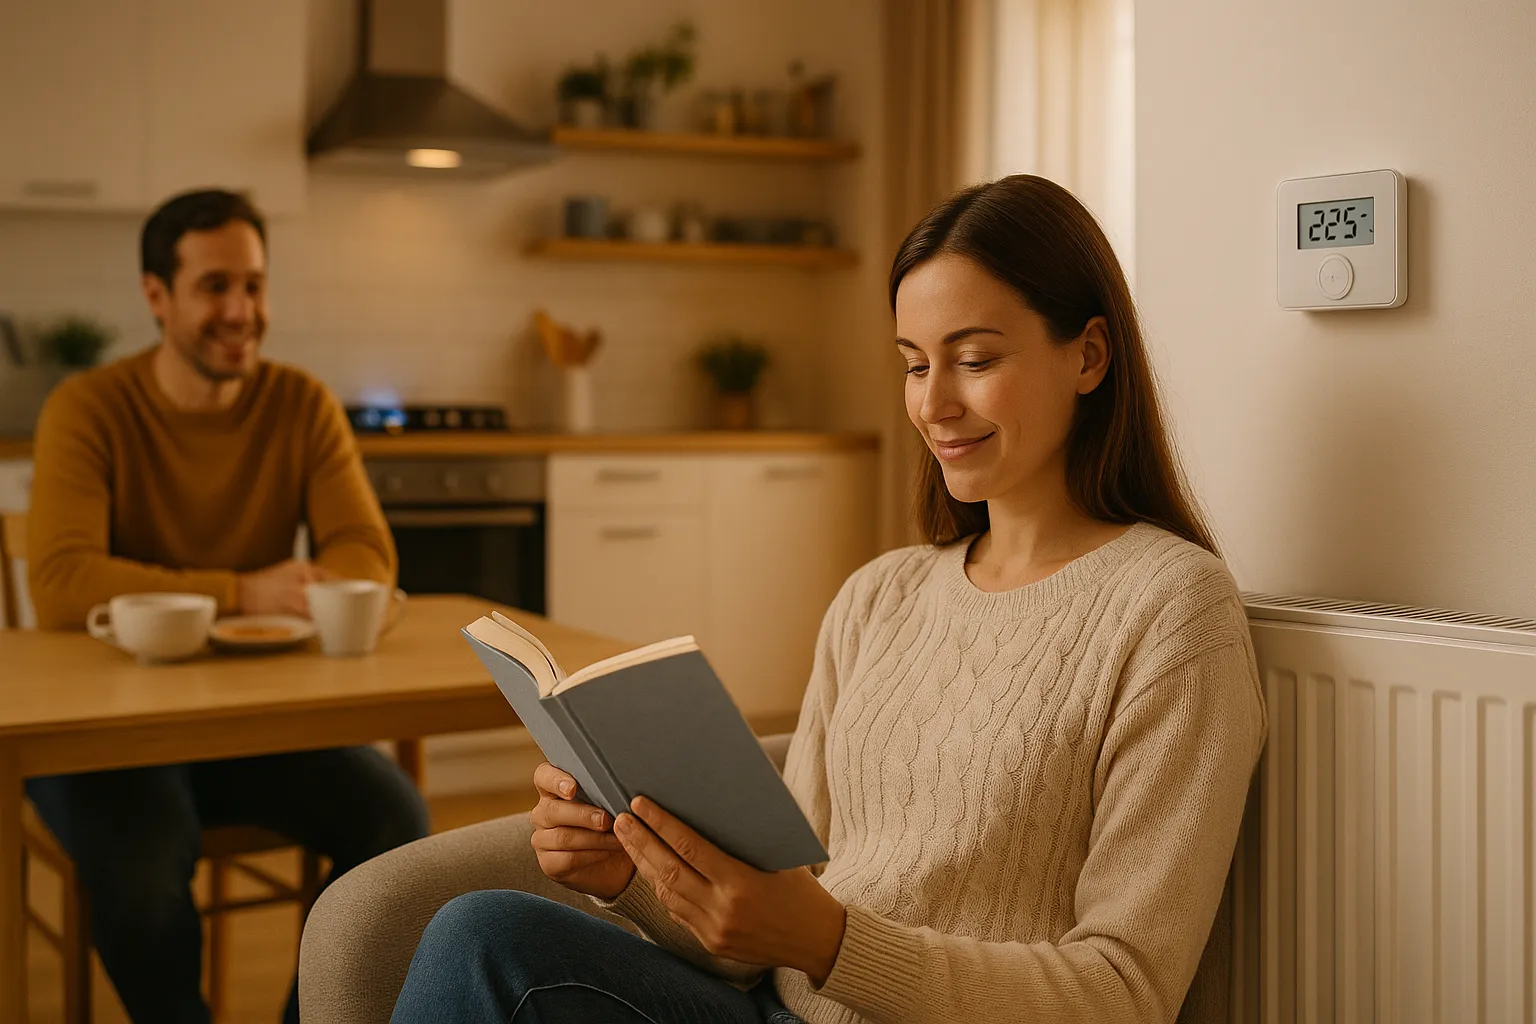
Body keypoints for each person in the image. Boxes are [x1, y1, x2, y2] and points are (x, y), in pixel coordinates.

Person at [344, 174, 1267, 1024]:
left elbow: (1125, 991)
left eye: (974, 359)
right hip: (779, 1011)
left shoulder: (1171, 610)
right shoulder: (880, 598)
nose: (934, 403)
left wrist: (827, 942)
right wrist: (634, 875)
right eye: (914, 364)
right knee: (482, 934)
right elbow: (770, 940)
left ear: (1090, 356)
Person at [26, 189, 430, 1024]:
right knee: (141, 874)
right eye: (215, 286)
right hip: (109, 735)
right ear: (156, 296)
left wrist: (321, 589)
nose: (241, 311)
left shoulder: (300, 403)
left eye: (254, 285)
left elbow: (365, 553)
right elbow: (62, 581)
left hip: (256, 721)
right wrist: (242, 594)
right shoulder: (88, 407)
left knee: (397, 822)